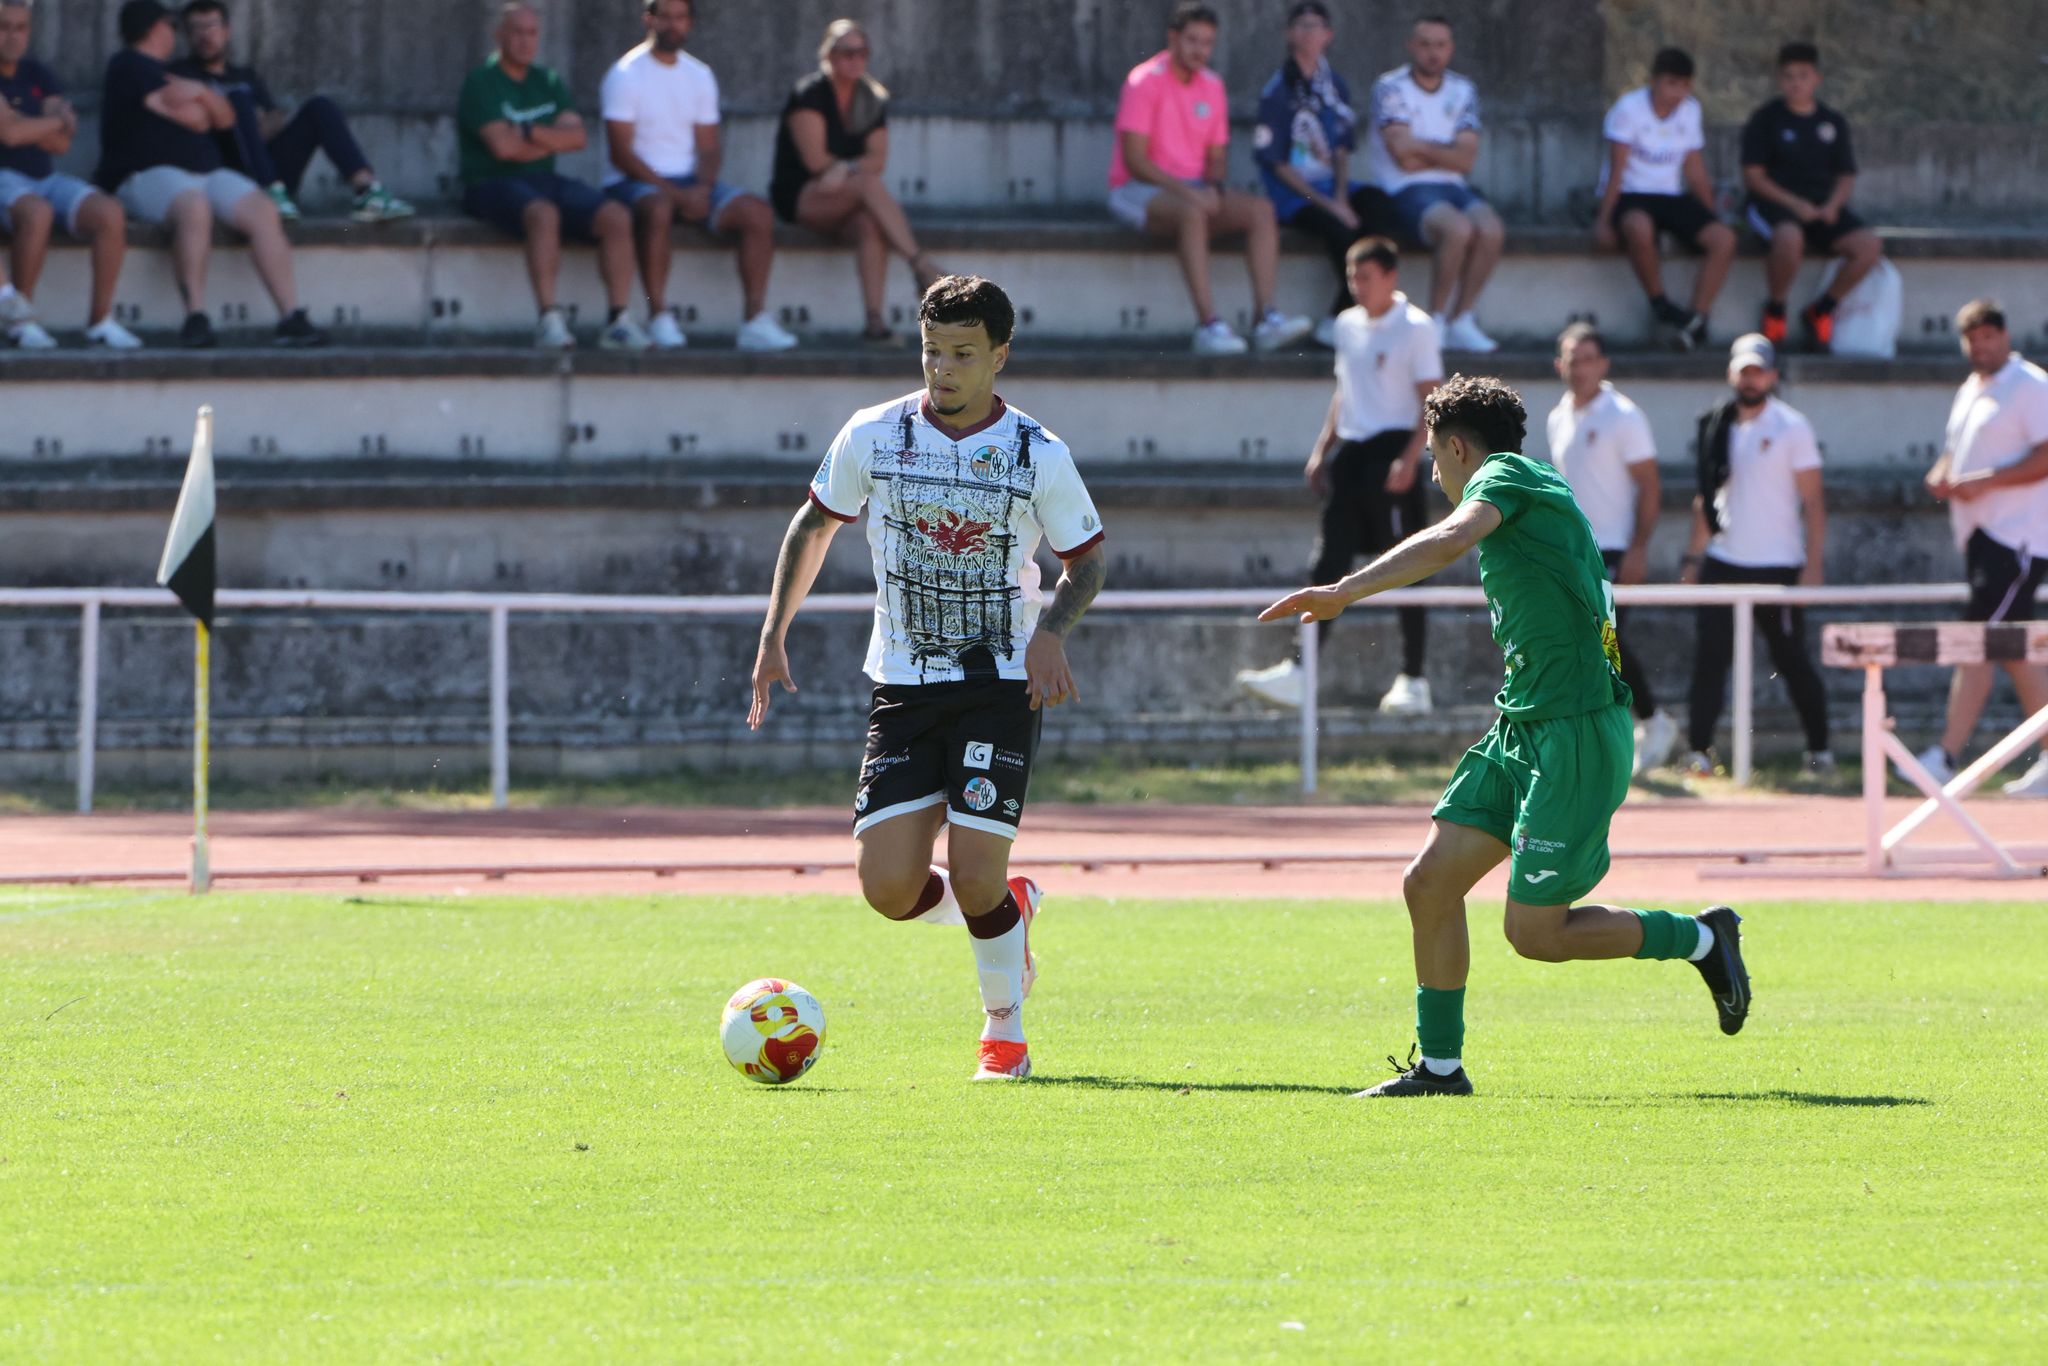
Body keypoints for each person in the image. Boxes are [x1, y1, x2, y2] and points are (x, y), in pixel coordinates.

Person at [1257, 374, 1751, 1097]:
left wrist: (1343, 591)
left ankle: (1704, 938)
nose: (1432, 473)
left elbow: (1452, 538)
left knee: (1536, 936)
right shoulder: (1520, 486)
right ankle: (1440, 1068)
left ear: (1460, 448)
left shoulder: (1509, 473)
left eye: (1433, 457)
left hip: (1577, 733)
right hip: (1522, 727)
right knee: (1429, 884)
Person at [748, 275, 1108, 1082]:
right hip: (903, 687)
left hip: (999, 686)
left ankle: (1003, 1034)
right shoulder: (872, 434)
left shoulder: (1036, 452)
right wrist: (774, 632)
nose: (942, 369)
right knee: (886, 887)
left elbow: (1086, 565)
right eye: (932, 351)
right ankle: (1006, 913)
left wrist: (1050, 633)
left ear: (999, 358)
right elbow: (813, 527)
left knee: (975, 872)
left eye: (962, 355)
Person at [1237, 237, 1441, 714]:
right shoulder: (1347, 325)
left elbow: (1431, 402)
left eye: (1366, 277)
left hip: (1393, 452)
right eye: (1352, 277)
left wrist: (1411, 459)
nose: (1357, 286)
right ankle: (1300, 668)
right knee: (1328, 562)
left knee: (1406, 565)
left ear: (1391, 276)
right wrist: (1321, 449)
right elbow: (1344, 391)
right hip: (1352, 453)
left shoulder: (1417, 327)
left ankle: (1414, 678)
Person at [94, 0, 324, 348]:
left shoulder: (172, 73)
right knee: (194, 206)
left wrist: (199, 93)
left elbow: (224, 118)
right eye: (170, 26)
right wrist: (199, 108)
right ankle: (196, 317)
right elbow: (197, 118)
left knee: (263, 209)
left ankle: (290, 316)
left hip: (205, 173)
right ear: (154, 28)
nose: (175, 34)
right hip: (143, 176)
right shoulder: (128, 65)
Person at [1107, 2, 1311, 356]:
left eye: (1207, 42)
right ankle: (1209, 326)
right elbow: (1135, 161)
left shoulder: (1212, 86)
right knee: (1192, 212)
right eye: (1192, 40)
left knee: (1261, 211)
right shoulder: (1144, 81)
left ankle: (1266, 320)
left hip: (1193, 192)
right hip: (1138, 190)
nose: (1199, 50)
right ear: (1173, 38)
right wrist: (1192, 194)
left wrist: (1213, 188)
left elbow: (1216, 156)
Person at [603, 0, 798, 353]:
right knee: (659, 207)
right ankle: (659, 314)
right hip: (632, 183)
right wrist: (679, 197)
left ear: (690, 23)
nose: (673, 25)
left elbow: (709, 148)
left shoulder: (699, 74)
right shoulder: (625, 73)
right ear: (649, 19)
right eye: (665, 17)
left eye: (680, 17)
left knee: (758, 213)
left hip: (689, 183)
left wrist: (703, 189)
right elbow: (622, 154)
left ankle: (754, 320)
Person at [1679, 334, 1832, 774]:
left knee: (1791, 659)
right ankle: (1699, 752)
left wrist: (1813, 565)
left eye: (1759, 369)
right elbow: (1706, 498)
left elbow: (1814, 501)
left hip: (1778, 563)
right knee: (1709, 658)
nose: (1751, 378)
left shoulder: (1791, 426)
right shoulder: (1715, 423)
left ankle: (1819, 750)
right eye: (1744, 369)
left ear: (1773, 374)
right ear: (1731, 373)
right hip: (1723, 559)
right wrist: (1693, 557)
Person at [1913, 299, 2048, 797]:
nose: (1982, 346)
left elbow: (2047, 454)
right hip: (1982, 537)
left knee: (1985, 643)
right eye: (1973, 339)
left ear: (2006, 336)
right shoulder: (1972, 388)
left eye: (1990, 336)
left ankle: (1945, 756)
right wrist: (1944, 474)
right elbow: (1957, 448)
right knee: (2009, 649)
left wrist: (1985, 483)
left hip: (2018, 539)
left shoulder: (2031, 386)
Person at [458, 3, 641, 351]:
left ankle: (618, 321)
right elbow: (502, 149)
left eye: (532, 33)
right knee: (544, 214)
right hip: (490, 183)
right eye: (517, 32)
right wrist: (548, 138)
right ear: (499, 36)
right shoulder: (481, 82)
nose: (526, 42)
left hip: (544, 180)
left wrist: (525, 131)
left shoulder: (549, 80)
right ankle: (549, 320)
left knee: (616, 216)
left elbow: (577, 138)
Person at [1546, 322, 1676, 774]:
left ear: (1603, 364)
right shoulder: (1558, 415)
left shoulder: (1623, 416)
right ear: (1558, 364)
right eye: (1570, 359)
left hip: (1614, 549)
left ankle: (1648, 721)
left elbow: (1650, 486)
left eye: (1587, 359)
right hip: (1573, 551)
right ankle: (1619, 728)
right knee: (1582, 642)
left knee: (1606, 642)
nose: (1578, 368)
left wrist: (1639, 548)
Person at [770, 19, 941, 347]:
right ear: (829, 55)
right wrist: (849, 171)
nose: (855, 59)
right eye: (847, 52)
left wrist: (845, 168)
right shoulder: (810, 93)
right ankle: (920, 264)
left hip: (844, 193)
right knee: (865, 185)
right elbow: (815, 162)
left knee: (869, 224)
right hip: (802, 193)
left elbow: (878, 160)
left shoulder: (870, 98)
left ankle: (875, 324)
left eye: (862, 52)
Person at [171, 1, 413, 224]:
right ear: (188, 35)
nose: (205, 35)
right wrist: (239, 118)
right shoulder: (180, 74)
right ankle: (269, 194)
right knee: (239, 100)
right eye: (196, 28)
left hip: (270, 165)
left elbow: (274, 117)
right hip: (226, 174)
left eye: (211, 26)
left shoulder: (245, 76)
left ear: (226, 31)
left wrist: (253, 127)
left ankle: (367, 191)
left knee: (320, 107)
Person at [0, 0, 141, 349]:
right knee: (37, 212)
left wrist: (31, 125)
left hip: (45, 177)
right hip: (5, 178)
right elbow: (11, 135)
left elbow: (61, 145)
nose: (13, 36)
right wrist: (53, 122)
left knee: (109, 212)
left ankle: (100, 321)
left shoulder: (38, 73)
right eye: (4, 27)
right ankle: (21, 320)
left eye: (21, 28)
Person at [1252, 1, 1394, 348]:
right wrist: (1331, 206)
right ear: (1289, 33)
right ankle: (1347, 319)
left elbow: (1341, 149)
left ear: (1328, 35)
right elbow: (1276, 163)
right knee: (1341, 230)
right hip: (1294, 193)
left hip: (1332, 188)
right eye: (1301, 25)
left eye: (1316, 26)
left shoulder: (1335, 87)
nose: (1308, 32)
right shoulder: (1277, 92)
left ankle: (1340, 315)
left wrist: (1342, 197)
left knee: (1380, 210)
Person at [1365, 15, 1503, 353]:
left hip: (1453, 186)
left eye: (1440, 45)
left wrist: (1421, 147)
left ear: (1451, 49)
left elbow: (1467, 160)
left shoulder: (1463, 89)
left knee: (1491, 229)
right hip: (1403, 188)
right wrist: (1447, 151)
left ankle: (1462, 318)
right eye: (1425, 44)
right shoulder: (1390, 87)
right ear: (1411, 46)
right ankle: (1436, 321)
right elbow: (1402, 157)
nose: (1433, 53)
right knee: (1458, 229)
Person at [1740, 41, 1885, 352]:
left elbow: (1846, 174)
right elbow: (1754, 176)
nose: (1796, 83)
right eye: (1789, 76)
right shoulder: (1765, 119)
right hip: (1776, 205)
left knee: (1869, 246)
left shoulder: (1832, 122)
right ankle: (1776, 309)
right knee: (1790, 237)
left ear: (1817, 78)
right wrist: (1794, 204)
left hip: (1821, 206)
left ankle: (1821, 310)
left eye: (1803, 76)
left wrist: (1833, 205)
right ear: (1779, 80)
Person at [1593, 48, 1734, 352]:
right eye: (1671, 83)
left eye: (1684, 85)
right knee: (1638, 226)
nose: (1677, 92)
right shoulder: (1628, 109)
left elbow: (1695, 170)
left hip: (1669, 195)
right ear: (1655, 81)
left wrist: (1709, 215)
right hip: (1631, 194)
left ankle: (1696, 318)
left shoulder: (1690, 110)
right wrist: (1603, 222)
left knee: (1723, 239)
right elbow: (1616, 170)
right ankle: (1661, 304)